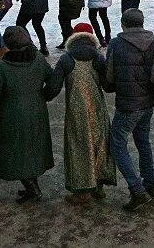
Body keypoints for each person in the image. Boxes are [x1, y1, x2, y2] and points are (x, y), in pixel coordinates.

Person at [46, 22, 117, 204]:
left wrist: (41, 96)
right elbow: (108, 86)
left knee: (78, 146)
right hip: (98, 108)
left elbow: (54, 88)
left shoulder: (66, 59)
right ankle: (99, 185)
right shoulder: (98, 58)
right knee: (99, 143)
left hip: (76, 110)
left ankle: (82, 191)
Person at [0, 25, 54, 203]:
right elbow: (53, 81)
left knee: (15, 151)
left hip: (11, 114)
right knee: (32, 149)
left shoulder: (3, 67)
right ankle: (32, 187)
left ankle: (32, 189)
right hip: (37, 111)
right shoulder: (39, 59)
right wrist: (43, 96)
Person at [105, 8, 154, 211]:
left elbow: (109, 78)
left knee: (117, 144)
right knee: (143, 142)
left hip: (127, 104)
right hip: (147, 102)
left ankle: (137, 191)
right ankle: (150, 185)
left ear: (123, 24)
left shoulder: (116, 43)